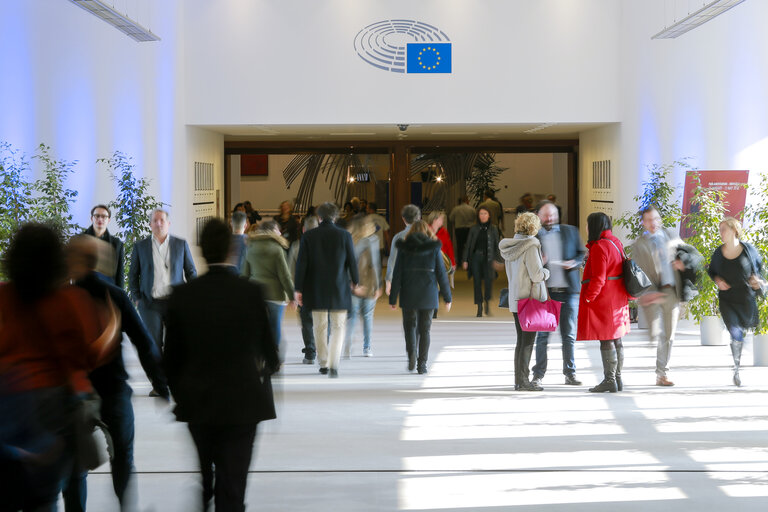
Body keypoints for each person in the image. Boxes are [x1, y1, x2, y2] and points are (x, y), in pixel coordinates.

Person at [164, 218, 280, 512]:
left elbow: (170, 359)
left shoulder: (182, 296)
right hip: (243, 404)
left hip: (199, 403)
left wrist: (182, 394)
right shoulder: (251, 293)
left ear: (201, 250)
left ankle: (206, 495)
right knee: (234, 482)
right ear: (232, 249)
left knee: (207, 470)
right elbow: (270, 351)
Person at [0, 224, 106, 511]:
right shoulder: (71, 302)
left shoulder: (3, 298)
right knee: (44, 500)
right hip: (51, 412)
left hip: (7, 407)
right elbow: (85, 358)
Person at [62, 235, 170, 512]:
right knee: (123, 455)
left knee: (74, 465)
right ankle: (124, 506)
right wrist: (161, 384)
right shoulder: (116, 295)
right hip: (113, 390)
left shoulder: (62, 299)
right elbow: (144, 343)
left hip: (74, 392)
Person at [630, 206, 702, 386]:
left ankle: (662, 374)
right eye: (648, 220)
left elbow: (689, 254)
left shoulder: (671, 236)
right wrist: (649, 294)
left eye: (655, 219)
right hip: (653, 291)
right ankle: (653, 338)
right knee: (655, 333)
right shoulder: (640, 244)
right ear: (643, 223)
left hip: (671, 291)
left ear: (659, 219)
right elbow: (641, 272)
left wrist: (681, 263)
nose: (653, 223)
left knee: (668, 334)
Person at [294, 202, 360, 378]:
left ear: (319, 217)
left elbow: (302, 265)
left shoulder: (309, 236)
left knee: (320, 325)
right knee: (338, 326)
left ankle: (323, 362)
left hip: (315, 288)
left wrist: (298, 288)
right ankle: (333, 363)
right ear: (335, 217)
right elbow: (352, 261)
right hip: (339, 286)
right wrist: (355, 281)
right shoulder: (345, 235)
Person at [128, 209, 197, 361]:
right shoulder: (140, 247)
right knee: (154, 344)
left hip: (175, 302)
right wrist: (137, 298)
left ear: (169, 223)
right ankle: (158, 382)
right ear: (150, 225)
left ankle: (172, 378)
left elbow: (191, 271)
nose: (159, 224)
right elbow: (133, 275)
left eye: (162, 220)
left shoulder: (180, 244)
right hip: (150, 303)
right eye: (155, 221)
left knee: (175, 343)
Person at [531, 201, 586, 387]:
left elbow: (581, 253)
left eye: (553, 215)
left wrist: (574, 263)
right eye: (546, 215)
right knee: (543, 336)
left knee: (568, 336)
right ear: (538, 216)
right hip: (546, 293)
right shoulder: (533, 237)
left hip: (569, 292)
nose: (550, 219)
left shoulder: (570, 231)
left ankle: (570, 373)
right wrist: (540, 261)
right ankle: (538, 375)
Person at [577, 212, 631, 393]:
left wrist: (588, 297)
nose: (586, 228)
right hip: (617, 298)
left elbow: (598, 278)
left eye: (587, 224)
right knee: (617, 339)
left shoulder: (599, 247)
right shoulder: (615, 242)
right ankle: (617, 379)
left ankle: (609, 380)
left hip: (604, 300)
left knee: (606, 340)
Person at [708, 217, 765, 387]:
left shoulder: (748, 250)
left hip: (745, 298)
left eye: (724, 229)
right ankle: (737, 368)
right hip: (727, 299)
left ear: (734, 230)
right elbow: (712, 271)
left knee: (741, 331)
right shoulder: (719, 252)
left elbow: (760, 270)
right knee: (734, 330)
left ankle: (739, 345)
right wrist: (718, 279)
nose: (721, 233)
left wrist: (757, 280)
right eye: (720, 230)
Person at [389, 220, 452, 374]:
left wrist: (393, 298)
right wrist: (447, 297)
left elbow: (397, 274)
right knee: (425, 330)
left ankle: (411, 355)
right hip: (428, 293)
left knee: (409, 326)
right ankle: (422, 364)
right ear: (427, 231)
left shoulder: (403, 248)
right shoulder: (434, 248)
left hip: (408, 293)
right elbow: (441, 274)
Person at [499, 213, 550, 391]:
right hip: (530, 300)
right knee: (528, 341)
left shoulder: (510, 246)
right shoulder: (531, 246)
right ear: (533, 227)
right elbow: (536, 274)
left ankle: (519, 380)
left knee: (521, 340)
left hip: (515, 299)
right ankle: (524, 381)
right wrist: (546, 272)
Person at [242, 219, 295, 349]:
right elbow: (285, 276)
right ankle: (274, 355)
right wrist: (292, 296)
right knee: (275, 325)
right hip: (275, 295)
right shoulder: (277, 249)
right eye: (278, 230)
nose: (280, 233)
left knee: (259, 325)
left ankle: (259, 353)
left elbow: (245, 274)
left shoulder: (251, 247)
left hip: (256, 293)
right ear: (272, 231)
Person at [344, 214, 382, 358]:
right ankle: (367, 348)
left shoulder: (349, 241)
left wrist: (351, 285)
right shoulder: (373, 240)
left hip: (354, 285)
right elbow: (375, 264)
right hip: (369, 285)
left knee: (352, 316)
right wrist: (378, 285)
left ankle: (348, 346)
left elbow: (346, 265)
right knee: (367, 316)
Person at [288, 215, 320, 364]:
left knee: (306, 321)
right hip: (322, 289)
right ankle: (323, 349)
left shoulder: (296, 246)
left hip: (304, 290)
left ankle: (310, 352)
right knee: (323, 321)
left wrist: (293, 293)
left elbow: (291, 271)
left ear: (303, 229)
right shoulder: (325, 245)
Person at [462, 206, 503, 317]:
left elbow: (496, 245)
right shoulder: (474, 229)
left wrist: (498, 260)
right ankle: (479, 306)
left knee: (489, 282)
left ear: (489, 215)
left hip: (488, 259)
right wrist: (465, 260)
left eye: (485, 213)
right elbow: (468, 245)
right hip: (476, 258)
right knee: (477, 282)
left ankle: (487, 304)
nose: (483, 216)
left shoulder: (493, 229)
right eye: (481, 214)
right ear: (478, 216)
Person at [84, 204, 125, 288]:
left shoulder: (117, 244)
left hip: (108, 293)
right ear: (92, 218)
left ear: (108, 220)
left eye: (104, 216)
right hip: (84, 293)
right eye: (97, 216)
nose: (100, 219)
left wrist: (119, 298)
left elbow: (119, 275)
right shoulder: (80, 240)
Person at [386, 204, 421, 296]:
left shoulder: (398, 237)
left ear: (403, 219)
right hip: (427, 281)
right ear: (419, 217)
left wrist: (389, 280)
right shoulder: (429, 235)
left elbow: (392, 260)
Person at [448, 197, 476, 267]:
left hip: (459, 229)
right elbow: (476, 218)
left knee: (459, 246)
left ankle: (460, 263)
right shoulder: (471, 209)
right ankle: (469, 262)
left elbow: (451, 218)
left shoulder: (456, 209)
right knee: (469, 246)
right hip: (469, 229)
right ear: (467, 201)